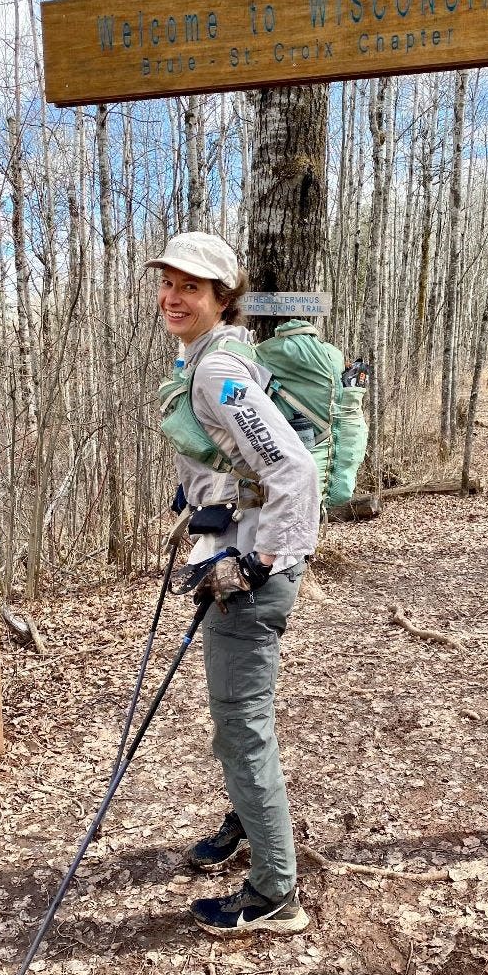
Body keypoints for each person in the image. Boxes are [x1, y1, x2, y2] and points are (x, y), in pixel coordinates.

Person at [147, 231, 320, 938]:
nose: (172, 297)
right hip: (229, 556)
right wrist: (201, 500)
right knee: (234, 723)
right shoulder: (210, 359)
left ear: (222, 297)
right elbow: (240, 461)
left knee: (241, 729)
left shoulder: (220, 372)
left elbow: (294, 471)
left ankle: (275, 892)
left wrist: (262, 557)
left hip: (249, 574)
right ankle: (246, 823)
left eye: (191, 286)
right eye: (167, 283)